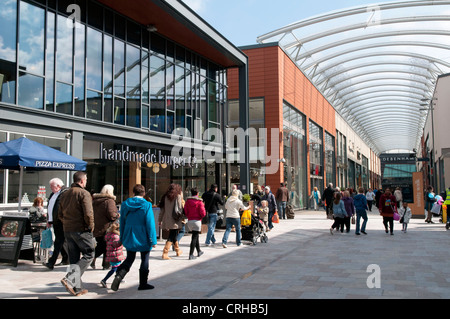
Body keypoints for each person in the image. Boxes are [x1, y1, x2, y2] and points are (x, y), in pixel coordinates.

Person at [111, 184, 157, 291]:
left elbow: (122, 222)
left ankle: (119, 275)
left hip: (129, 234)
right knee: (144, 259)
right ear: (144, 193)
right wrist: (153, 240)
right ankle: (143, 284)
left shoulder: (125, 204)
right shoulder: (147, 205)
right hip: (143, 235)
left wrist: (122, 237)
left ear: (133, 193)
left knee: (130, 258)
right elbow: (150, 223)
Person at [58, 171, 95, 296]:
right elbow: (88, 213)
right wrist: (90, 227)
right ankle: (69, 278)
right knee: (89, 254)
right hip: (81, 229)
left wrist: (67, 223)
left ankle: (77, 288)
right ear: (82, 181)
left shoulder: (64, 194)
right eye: (86, 180)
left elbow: (60, 214)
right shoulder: (84, 193)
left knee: (74, 258)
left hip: (68, 229)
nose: (86, 182)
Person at [91, 184, 119, 270]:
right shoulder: (109, 201)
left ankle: (94, 259)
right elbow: (112, 215)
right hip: (107, 227)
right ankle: (105, 264)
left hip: (97, 226)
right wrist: (117, 215)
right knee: (106, 246)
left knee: (101, 244)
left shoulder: (95, 201)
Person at [43, 178, 69, 270]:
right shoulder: (53, 194)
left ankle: (51, 262)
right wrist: (49, 220)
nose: (51, 188)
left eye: (52, 186)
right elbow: (51, 207)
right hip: (54, 221)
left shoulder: (65, 193)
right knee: (61, 241)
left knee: (58, 241)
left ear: (58, 186)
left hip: (61, 221)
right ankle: (66, 258)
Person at [158, 184, 184, 259]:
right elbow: (180, 208)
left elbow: (162, 210)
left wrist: (160, 220)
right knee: (171, 236)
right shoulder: (178, 196)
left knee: (174, 235)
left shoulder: (165, 197)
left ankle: (177, 250)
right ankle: (165, 252)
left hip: (167, 219)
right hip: (175, 219)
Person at [183, 187, 206, 260]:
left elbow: (185, 211)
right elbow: (203, 213)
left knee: (195, 236)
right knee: (194, 237)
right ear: (198, 193)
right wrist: (200, 217)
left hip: (189, 221)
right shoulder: (200, 202)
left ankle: (199, 251)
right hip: (197, 221)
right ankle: (191, 254)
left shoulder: (187, 201)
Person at [100, 221, 124, 288]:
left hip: (111, 254)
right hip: (115, 255)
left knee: (118, 267)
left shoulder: (109, 235)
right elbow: (116, 244)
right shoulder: (116, 236)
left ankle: (118, 278)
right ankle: (104, 280)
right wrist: (122, 241)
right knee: (114, 268)